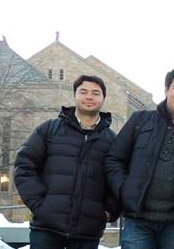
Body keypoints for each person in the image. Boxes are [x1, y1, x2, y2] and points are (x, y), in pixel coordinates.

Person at [105, 67, 174, 249]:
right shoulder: (140, 121)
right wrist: (124, 189)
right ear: (167, 89)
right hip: (138, 221)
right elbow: (114, 159)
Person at [14, 75, 120, 249]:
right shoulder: (49, 129)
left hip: (87, 233)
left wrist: (108, 212)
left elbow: (119, 180)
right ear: (75, 95)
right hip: (46, 229)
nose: (89, 97)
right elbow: (25, 166)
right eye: (83, 92)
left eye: (95, 93)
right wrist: (39, 205)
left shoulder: (113, 141)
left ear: (103, 98)